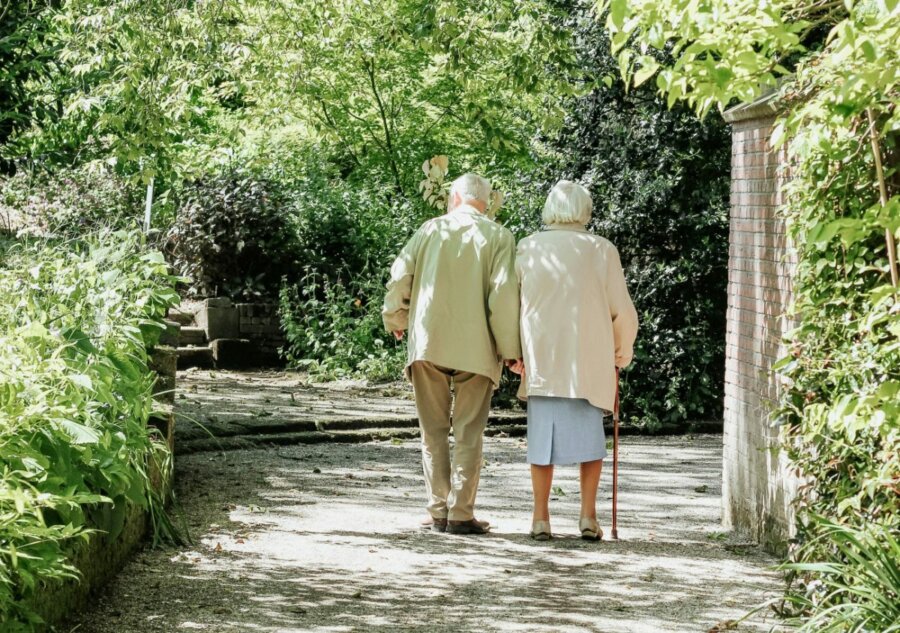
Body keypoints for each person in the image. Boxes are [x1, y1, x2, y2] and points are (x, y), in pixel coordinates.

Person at [382, 173, 521, 535]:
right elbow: (503, 296)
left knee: (433, 431)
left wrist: (395, 317)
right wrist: (510, 351)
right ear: (486, 202)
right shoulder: (500, 236)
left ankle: (437, 510)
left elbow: (400, 276)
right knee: (468, 432)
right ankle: (460, 514)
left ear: (455, 196)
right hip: (477, 348)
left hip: (429, 342)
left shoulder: (429, 230)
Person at [510, 180, 638, 541]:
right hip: (588, 358)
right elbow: (622, 311)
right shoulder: (601, 250)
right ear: (585, 210)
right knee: (591, 442)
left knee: (541, 442)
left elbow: (512, 305)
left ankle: (540, 517)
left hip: (543, 357)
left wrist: (513, 352)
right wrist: (620, 351)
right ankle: (587, 516)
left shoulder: (528, 247)